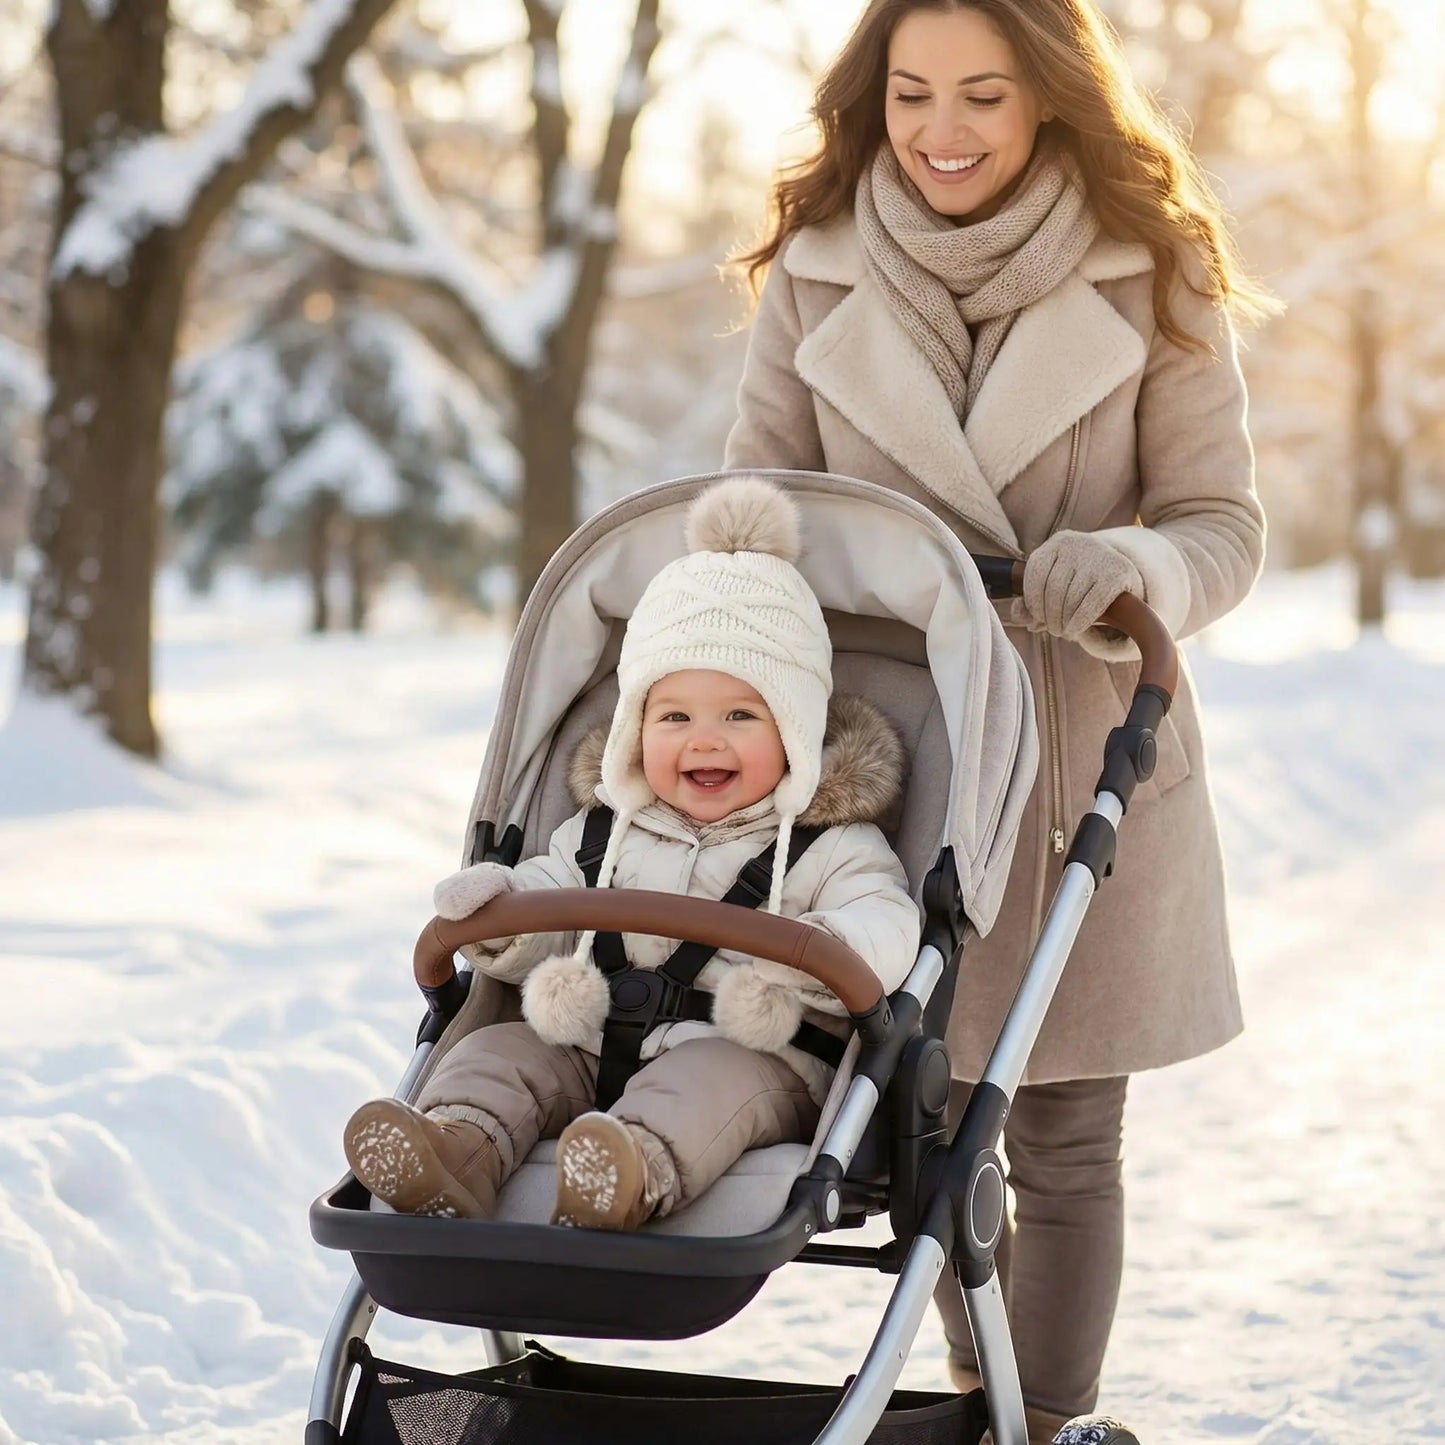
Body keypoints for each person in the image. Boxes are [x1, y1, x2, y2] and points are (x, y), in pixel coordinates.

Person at [723, 0, 1270, 1437]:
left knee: (1069, 1131)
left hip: (1080, 730)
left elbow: (1222, 524)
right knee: (936, 1123)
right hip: (891, 746)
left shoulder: (1153, 269)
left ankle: (1046, 1422)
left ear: (1048, 97)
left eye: (979, 95)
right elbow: (755, 515)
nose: (939, 132)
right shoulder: (817, 273)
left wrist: (1134, 566)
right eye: (910, 94)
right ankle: (990, 1399)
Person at [343, 475, 921, 1231]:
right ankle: (456, 1149)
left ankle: (628, 1173)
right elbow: (549, 895)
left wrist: (835, 946)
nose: (703, 738)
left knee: (705, 1082)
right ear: (633, 732)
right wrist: (502, 919)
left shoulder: (832, 843)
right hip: (585, 1043)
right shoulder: (598, 829)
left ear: (797, 732)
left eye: (741, 715)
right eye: (673, 714)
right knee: (504, 1050)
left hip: (754, 1059)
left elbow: (887, 916)